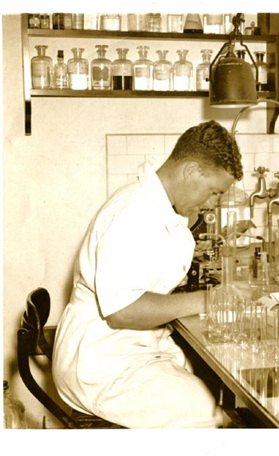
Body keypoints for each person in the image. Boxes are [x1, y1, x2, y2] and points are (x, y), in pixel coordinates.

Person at [52, 120, 243, 428]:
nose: (213, 204)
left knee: (211, 394)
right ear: (191, 170)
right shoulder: (134, 213)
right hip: (102, 363)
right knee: (211, 417)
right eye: (213, 192)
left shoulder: (156, 204)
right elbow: (122, 312)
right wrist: (208, 300)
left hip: (129, 348)